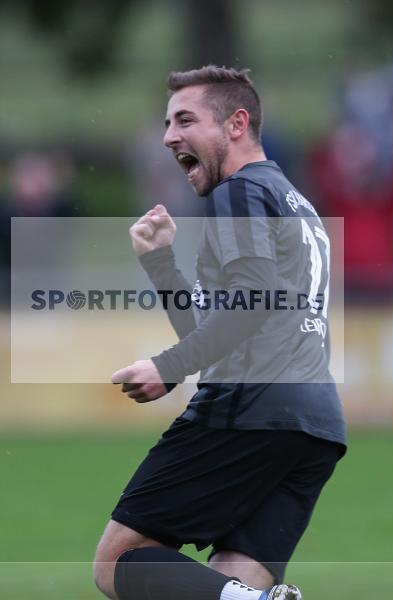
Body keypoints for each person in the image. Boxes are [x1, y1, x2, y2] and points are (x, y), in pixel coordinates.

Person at [95, 66, 347, 600]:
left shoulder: (241, 191)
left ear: (236, 124)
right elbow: (227, 323)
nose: (169, 136)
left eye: (185, 120)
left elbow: (249, 305)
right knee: (227, 584)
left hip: (250, 406)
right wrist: (162, 265)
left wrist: (168, 367)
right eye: (167, 124)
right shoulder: (294, 200)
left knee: (118, 561)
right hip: (314, 422)